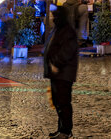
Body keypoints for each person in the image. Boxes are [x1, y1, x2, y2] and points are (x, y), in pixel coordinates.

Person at [44, 8, 79, 139]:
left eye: (54, 16)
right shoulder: (59, 29)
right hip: (57, 73)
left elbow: (67, 51)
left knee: (63, 102)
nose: (52, 18)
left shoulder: (67, 31)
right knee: (58, 101)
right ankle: (61, 129)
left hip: (63, 73)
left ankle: (66, 131)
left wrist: (55, 63)